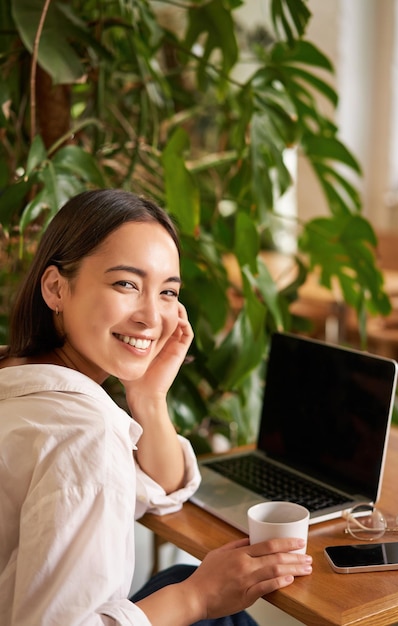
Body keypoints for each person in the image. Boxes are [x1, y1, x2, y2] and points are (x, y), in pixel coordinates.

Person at [0, 189, 313, 625]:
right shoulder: (83, 435)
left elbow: (155, 490)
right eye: (126, 284)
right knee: (207, 603)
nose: (151, 316)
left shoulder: (15, 372)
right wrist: (197, 599)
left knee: (183, 576)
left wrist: (148, 398)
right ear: (56, 288)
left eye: (167, 291)